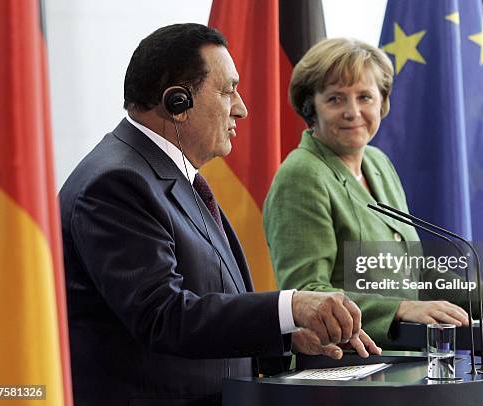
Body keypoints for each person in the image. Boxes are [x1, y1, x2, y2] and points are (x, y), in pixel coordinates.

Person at [60, 24, 381, 406]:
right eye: (228, 90)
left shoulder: (166, 174)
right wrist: (290, 306)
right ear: (178, 102)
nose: (241, 108)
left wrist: (285, 332)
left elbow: (206, 302)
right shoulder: (117, 183)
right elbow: (164, 316)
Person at [263, 38, 483, 348]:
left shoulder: (377, 163)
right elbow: (308, 294)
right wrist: (400, 309)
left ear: (382, 103)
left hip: (401, 358)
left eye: (365, 97)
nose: (352, 111)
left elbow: (411, 268)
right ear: (310, 108)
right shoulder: (303, 175)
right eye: (335, 99)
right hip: (341, 366)